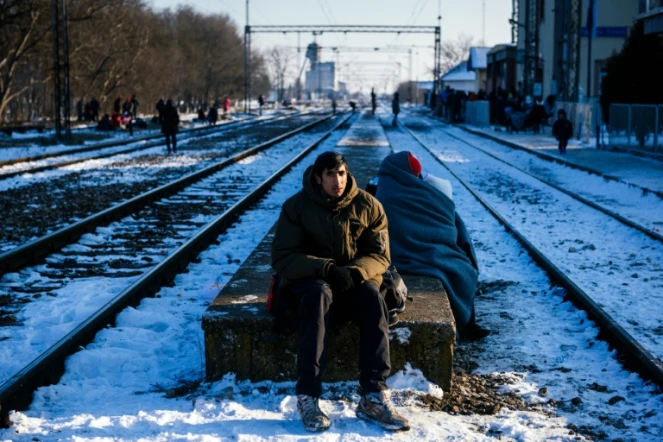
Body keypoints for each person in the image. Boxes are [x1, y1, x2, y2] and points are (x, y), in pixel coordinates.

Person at [271, 151, 410, 433]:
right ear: (318, 178)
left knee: (373, 298)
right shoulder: (296, 207)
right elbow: (284, 258)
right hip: (312, 283)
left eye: (342, 173)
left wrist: (355, 272)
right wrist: (327, 268)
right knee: (318, 295)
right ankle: (308, 395)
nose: (338, 181)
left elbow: (380, 255)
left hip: (353, 281)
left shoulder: (369, 205)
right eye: (331, 174)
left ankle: (373, 396)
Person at [374, 151, 489, 341]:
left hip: (418, 251)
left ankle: (467, 323)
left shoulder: (397, 186)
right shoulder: (391, 192)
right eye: (415, 175)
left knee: (463, 268)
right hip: (409, 255)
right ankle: (466, 324)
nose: (418, 178)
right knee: (462, 270)